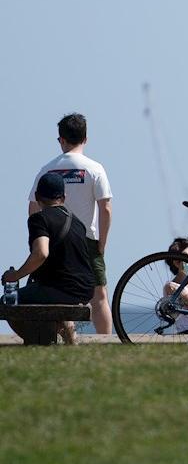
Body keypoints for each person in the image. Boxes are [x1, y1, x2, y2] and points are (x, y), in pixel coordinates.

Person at [27, 113, 114, 334]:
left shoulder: (47, 169)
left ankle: (68, 334)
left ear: (61, 139)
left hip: (53, 240)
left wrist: (38, 240)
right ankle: (105, 342)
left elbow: (32, 207)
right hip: (87, 240)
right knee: (99, 295)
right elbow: (105, 208)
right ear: (85, 138)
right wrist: (102, 243)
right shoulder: (95, 169)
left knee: (57, 290)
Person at [3, 173, 94, 344]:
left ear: (37, 197)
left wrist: (16, 276)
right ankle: (66, 333)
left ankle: (41, 343)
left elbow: (41, 253)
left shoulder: (39, 219)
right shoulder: (77, 222)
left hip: (62, 289)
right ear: (64, 197)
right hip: (85, 290)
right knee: (41, 293)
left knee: (7, 302)